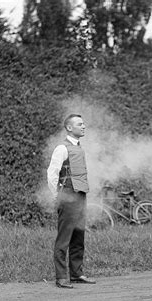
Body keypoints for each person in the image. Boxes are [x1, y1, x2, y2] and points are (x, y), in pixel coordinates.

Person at [47, 114, 96, 288]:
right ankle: (61, 277)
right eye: (79, 124)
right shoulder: (62, 148)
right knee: (64, 238)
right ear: (69, 128)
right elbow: (52, 174)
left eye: (83, 123)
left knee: (78, 236)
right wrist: (57, 196)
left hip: (81, 194)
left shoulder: (79, 147)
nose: (83, 126)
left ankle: (76, 274)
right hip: (67, 195)